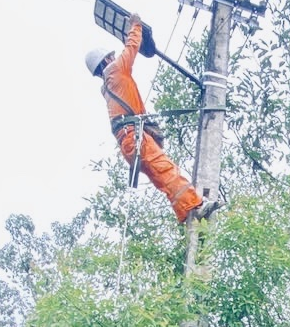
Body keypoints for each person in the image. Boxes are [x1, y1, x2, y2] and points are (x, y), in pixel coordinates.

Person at [85, 13, 217, 224]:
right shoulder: (116, 71)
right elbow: (131, 48)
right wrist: (135, 25)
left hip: (128, 144)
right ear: (107, 60)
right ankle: (196, 204)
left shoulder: (108, 87)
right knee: (166, 169)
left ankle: (186, 211)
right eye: (111, 56)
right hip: (135, 138)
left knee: (161, 178)